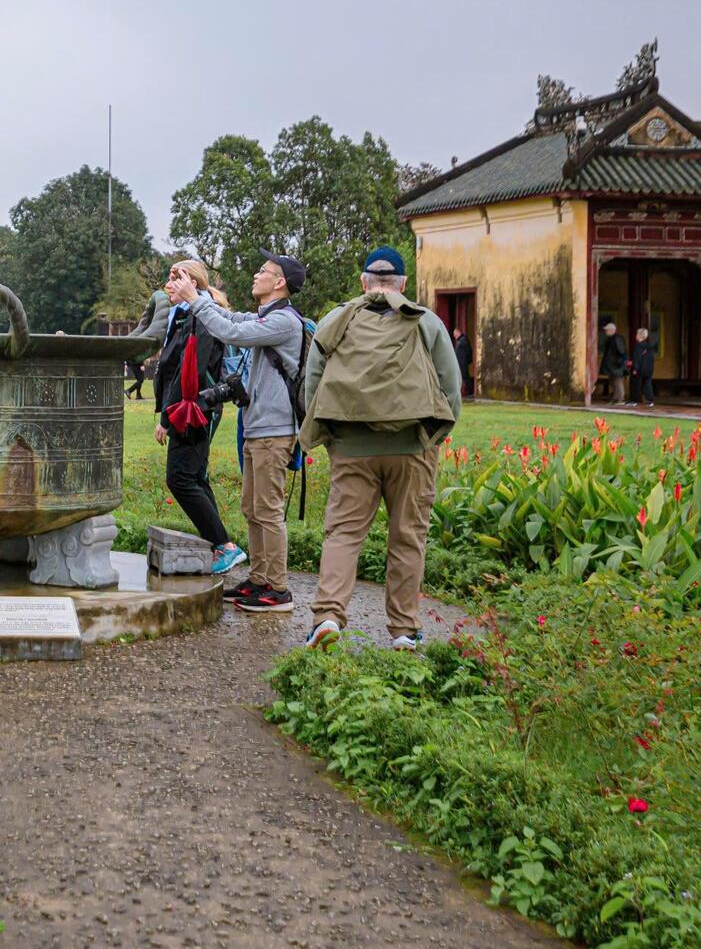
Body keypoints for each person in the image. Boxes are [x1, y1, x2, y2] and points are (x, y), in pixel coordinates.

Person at [300, 247, 462, 652]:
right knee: (407, 537)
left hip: (352, 446)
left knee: (343, 533)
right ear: (403, 285)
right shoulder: (426, 321)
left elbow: (312, 384)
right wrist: (433, 438)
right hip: (412, 447)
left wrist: (334, 437)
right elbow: (450, 385)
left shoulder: (336, 320)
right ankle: (404, 629)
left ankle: (328, 616)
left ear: (364, 282)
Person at [165, 250, 308, 610]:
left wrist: (196, 298)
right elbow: (227, 317)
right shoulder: (264, 316)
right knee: (252, 508)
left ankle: (277, 588)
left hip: (275, 430)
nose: (256, 274)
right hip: (257, 426)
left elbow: (230, 331)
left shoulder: (285, 322)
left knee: (269, 510)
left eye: (263, 270)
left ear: (279, 283)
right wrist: (195, 298)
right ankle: (259, 579)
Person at [150, 260, 241, 569]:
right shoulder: (187, 316)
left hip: (196, 409)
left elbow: (190, 370)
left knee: (180, 478)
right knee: (194, 477)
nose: (168, 284)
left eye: (175, 279)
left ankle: (224, 545)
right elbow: (172, 369)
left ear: (192, 281)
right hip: (189, 408)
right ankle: (220, 546)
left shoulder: (201, 317)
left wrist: (167, 416)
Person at [599, 320, 629, 404]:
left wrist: (619, 363)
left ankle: (620, 399)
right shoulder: (611, 339)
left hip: (617, 366)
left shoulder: (617, 339)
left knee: (617, 381)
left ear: (612, 330)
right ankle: (615, 398)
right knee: (613, 381)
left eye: (607, 330)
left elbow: (621, 352)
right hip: (612, 366)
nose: (605, 332)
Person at [629, 326, 658, 407]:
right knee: (647, 384)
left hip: (640, 369)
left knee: (636, 384)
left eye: (636, 334)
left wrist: (635, 368)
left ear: (639, 335)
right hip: (649, 369)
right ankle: (650, 400)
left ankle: (635, 400)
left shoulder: (638, 346)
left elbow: (636, 359)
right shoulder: (649, 347)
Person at [452, 323, 473, 398]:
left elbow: (468, 352)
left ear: (458, 332)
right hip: (460, 363)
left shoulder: (463, 340)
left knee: (465, 377)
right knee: (461, 377)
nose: (454, 335)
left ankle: (470, 391)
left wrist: (466, 361)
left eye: (455, 333)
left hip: (462, 363)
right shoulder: (461, 340)